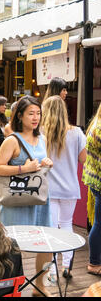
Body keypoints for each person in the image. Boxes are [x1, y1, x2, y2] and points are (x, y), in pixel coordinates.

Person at [0, 95, 53, 297]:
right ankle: (6, 287)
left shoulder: (42, 137)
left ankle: (40, 286)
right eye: (31, 114)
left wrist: (46, 162)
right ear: (19, 115)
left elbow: (39, 161)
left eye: (38, 114)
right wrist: (22, 168)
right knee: (10, 246)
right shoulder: (12, 140)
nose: (36, 118)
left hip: (39, 200)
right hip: (16, 200)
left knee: (46, 244)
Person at [41, 95, 87, 282]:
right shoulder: (76, 133)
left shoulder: (41, 133)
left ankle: (51, 270)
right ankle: (67, 265)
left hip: (49, 189)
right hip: (70, 187)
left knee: (51, 228)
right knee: (67, 224)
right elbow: (83, 159)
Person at [82, 103, 101, 276]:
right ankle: (94, 262)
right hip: (100, 182)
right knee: (99, 223)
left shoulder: (95, 124)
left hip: (95, 180)